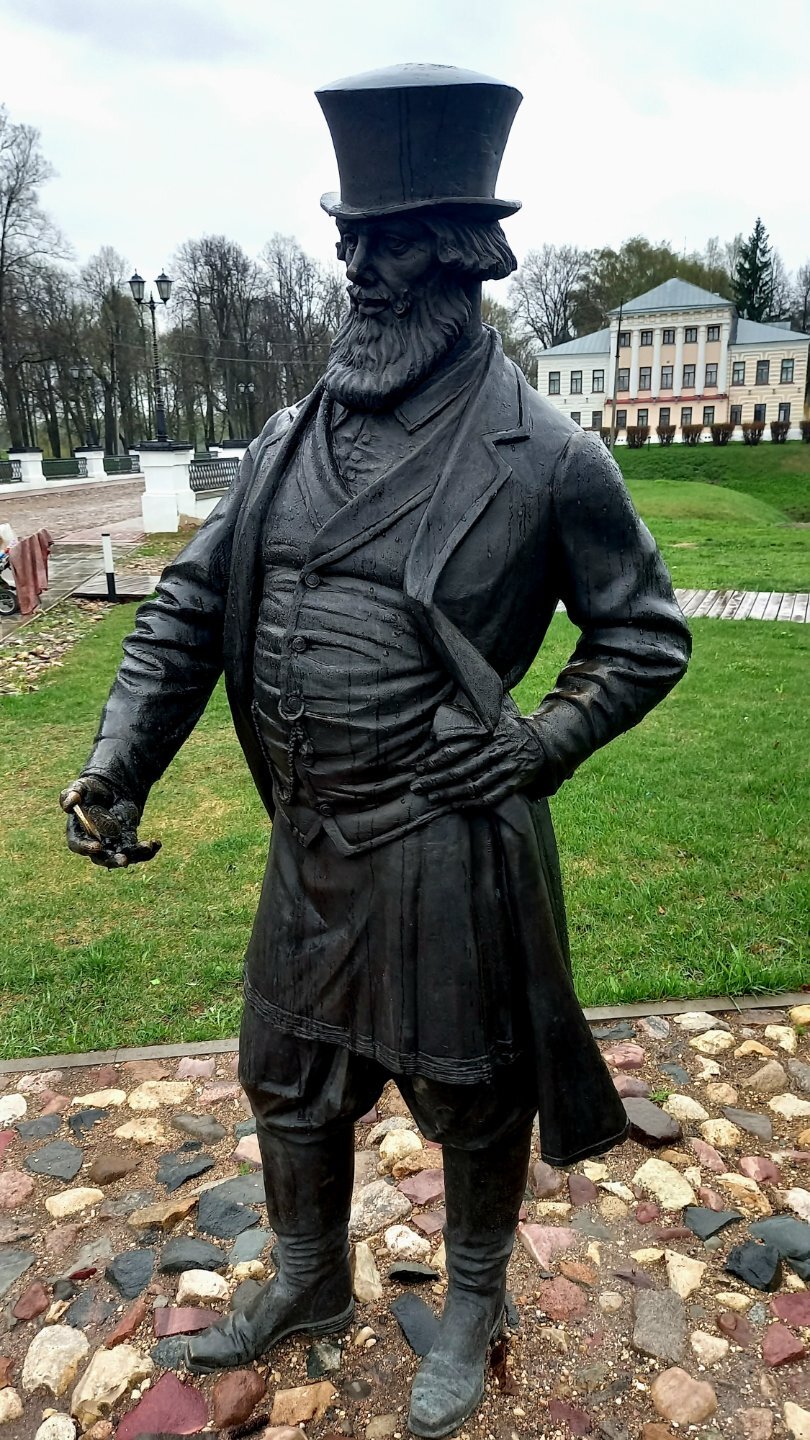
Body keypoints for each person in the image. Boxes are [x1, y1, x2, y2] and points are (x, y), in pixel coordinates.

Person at [61, 65, 691, 1439]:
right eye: (349, 242)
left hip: (443, 842)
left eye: (387, 247)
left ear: (460, 262)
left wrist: (539, 742)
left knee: (471, 1088)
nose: (356, 272)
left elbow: (643, 636)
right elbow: (185, 613)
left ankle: (474, 1296)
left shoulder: (547, 455)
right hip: (312, 840)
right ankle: (305, 1278)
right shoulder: (286, 440)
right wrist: (118, 763)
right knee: (285, 1073)